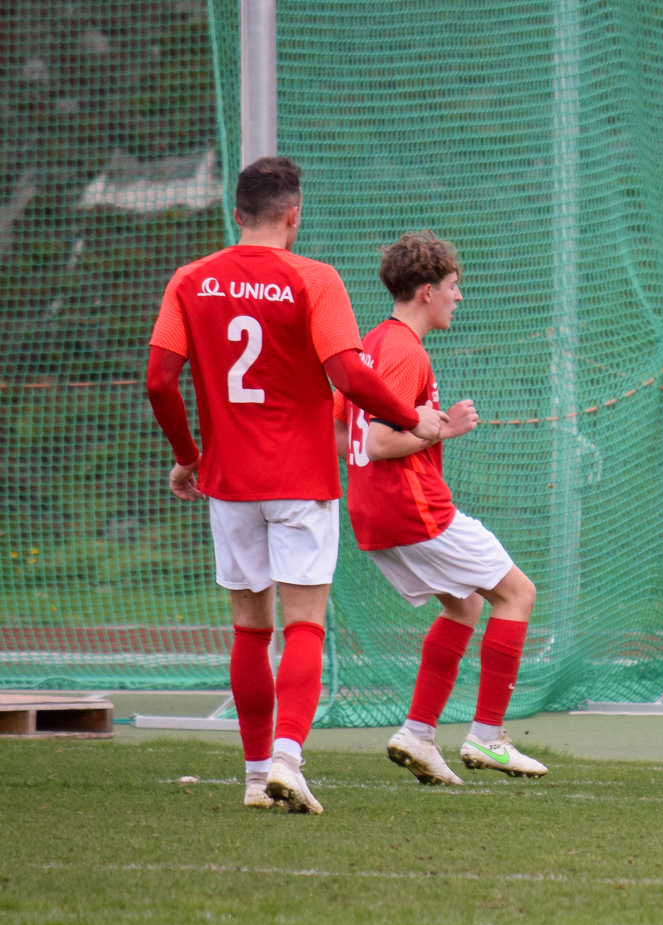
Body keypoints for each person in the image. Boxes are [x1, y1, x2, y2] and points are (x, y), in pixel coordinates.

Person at [147, 156, 442, 814]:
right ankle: (287, 758)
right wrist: (410, 417)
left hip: (229, 482)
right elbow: (349, 375)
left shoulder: (190, 279)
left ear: (237, 213)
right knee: (304, 624)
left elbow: (159, 381)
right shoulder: (315, 278)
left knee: (250, 632)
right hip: (300, 480)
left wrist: (188, 456)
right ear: (294, 216)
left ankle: (256, 777)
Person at [333, 232, 546, 786]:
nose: (459, 296)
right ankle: (488, 736)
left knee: (465, 607)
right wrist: (444, 430)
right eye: (453, 286)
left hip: (373, 511)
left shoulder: (372, 342)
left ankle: (418, 734)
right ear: (427, 291)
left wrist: (411, 441)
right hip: (414, 507)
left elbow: (340, 428)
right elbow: (380, 441)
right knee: (517, 594)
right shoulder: (406, 350)